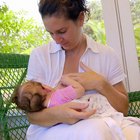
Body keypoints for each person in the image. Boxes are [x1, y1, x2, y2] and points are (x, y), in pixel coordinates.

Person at [26, 0, 140, 140]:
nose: (56, 40)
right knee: (96, 132)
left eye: (62, 31)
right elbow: (31, 115)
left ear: (80, 18)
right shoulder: (40, 56)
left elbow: (123, 109)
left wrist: (101, 83)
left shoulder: (106, 55)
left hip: (106, 120)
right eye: (51, 33)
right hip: (52, 129)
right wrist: (60, 114)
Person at [12, 76, 85, 112]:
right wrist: (67, 80)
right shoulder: (59, 95)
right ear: (45, 89)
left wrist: (56, 89)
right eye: (42, 85)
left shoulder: (46, 110)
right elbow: (80, 90)